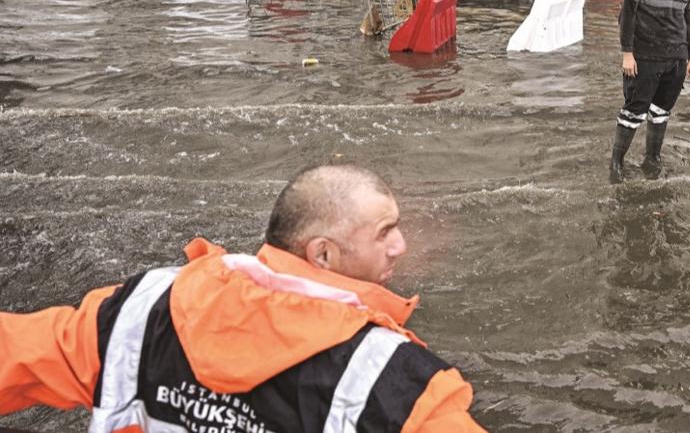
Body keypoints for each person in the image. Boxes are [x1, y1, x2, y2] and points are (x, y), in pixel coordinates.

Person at [0, 164, 486, 433]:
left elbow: (20, 353)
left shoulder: (145, 311)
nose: (401, 246)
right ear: (322, 255)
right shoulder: (391, 380)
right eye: (386, 232)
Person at [611, 0, 690, 181]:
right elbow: (627, 17)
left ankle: (652, 158)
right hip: (645, 58)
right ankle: (616, 163)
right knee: (634, 111)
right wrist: (627, 53)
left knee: (661, 111)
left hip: (675, 59)